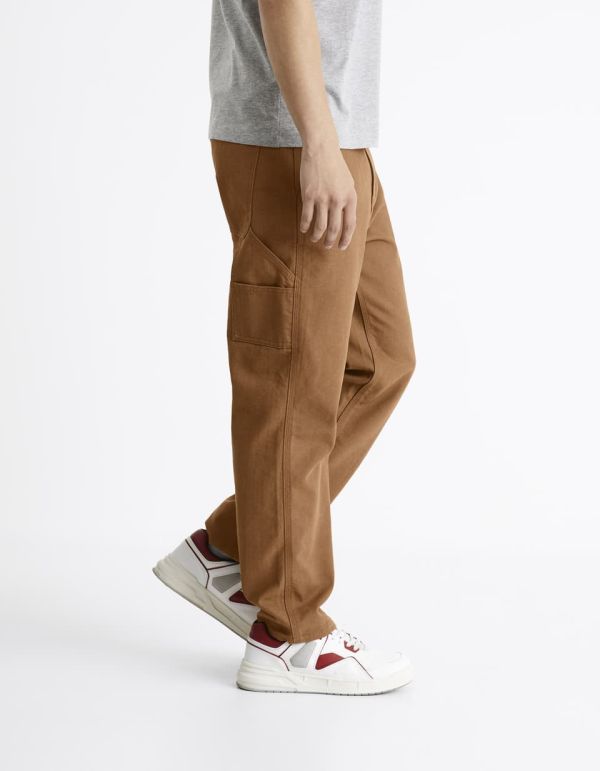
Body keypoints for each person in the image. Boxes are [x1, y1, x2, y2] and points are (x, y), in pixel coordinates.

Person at [154, 0, 416, 696]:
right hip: (294, 141)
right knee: (294, 389)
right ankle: (289, 632)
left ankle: (228, 547)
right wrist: (318, 145)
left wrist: (334, 143)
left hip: (332, 136)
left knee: (379, 359)